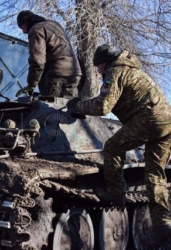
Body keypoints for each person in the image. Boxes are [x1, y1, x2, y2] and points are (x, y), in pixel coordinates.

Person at [67, 44, 171, 248]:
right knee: (155, 176)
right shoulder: (133, 70)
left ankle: (116, 192)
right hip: (167, 122)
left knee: (113, 146)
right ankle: (163, 226)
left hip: (149, 120)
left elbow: (103, 106)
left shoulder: (115, 71)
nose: (97, 71)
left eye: (98, 67)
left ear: (104, 63)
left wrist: (76, 105)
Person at [15, 10, 82, 98]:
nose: (23, 32)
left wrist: (31, 84)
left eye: (22, 28)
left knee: (50, 109)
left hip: (58, 75)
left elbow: (37, 60)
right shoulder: (53, 24)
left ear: (26, 23)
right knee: (69, 108)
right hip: (75, 72)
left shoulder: (36, 29)